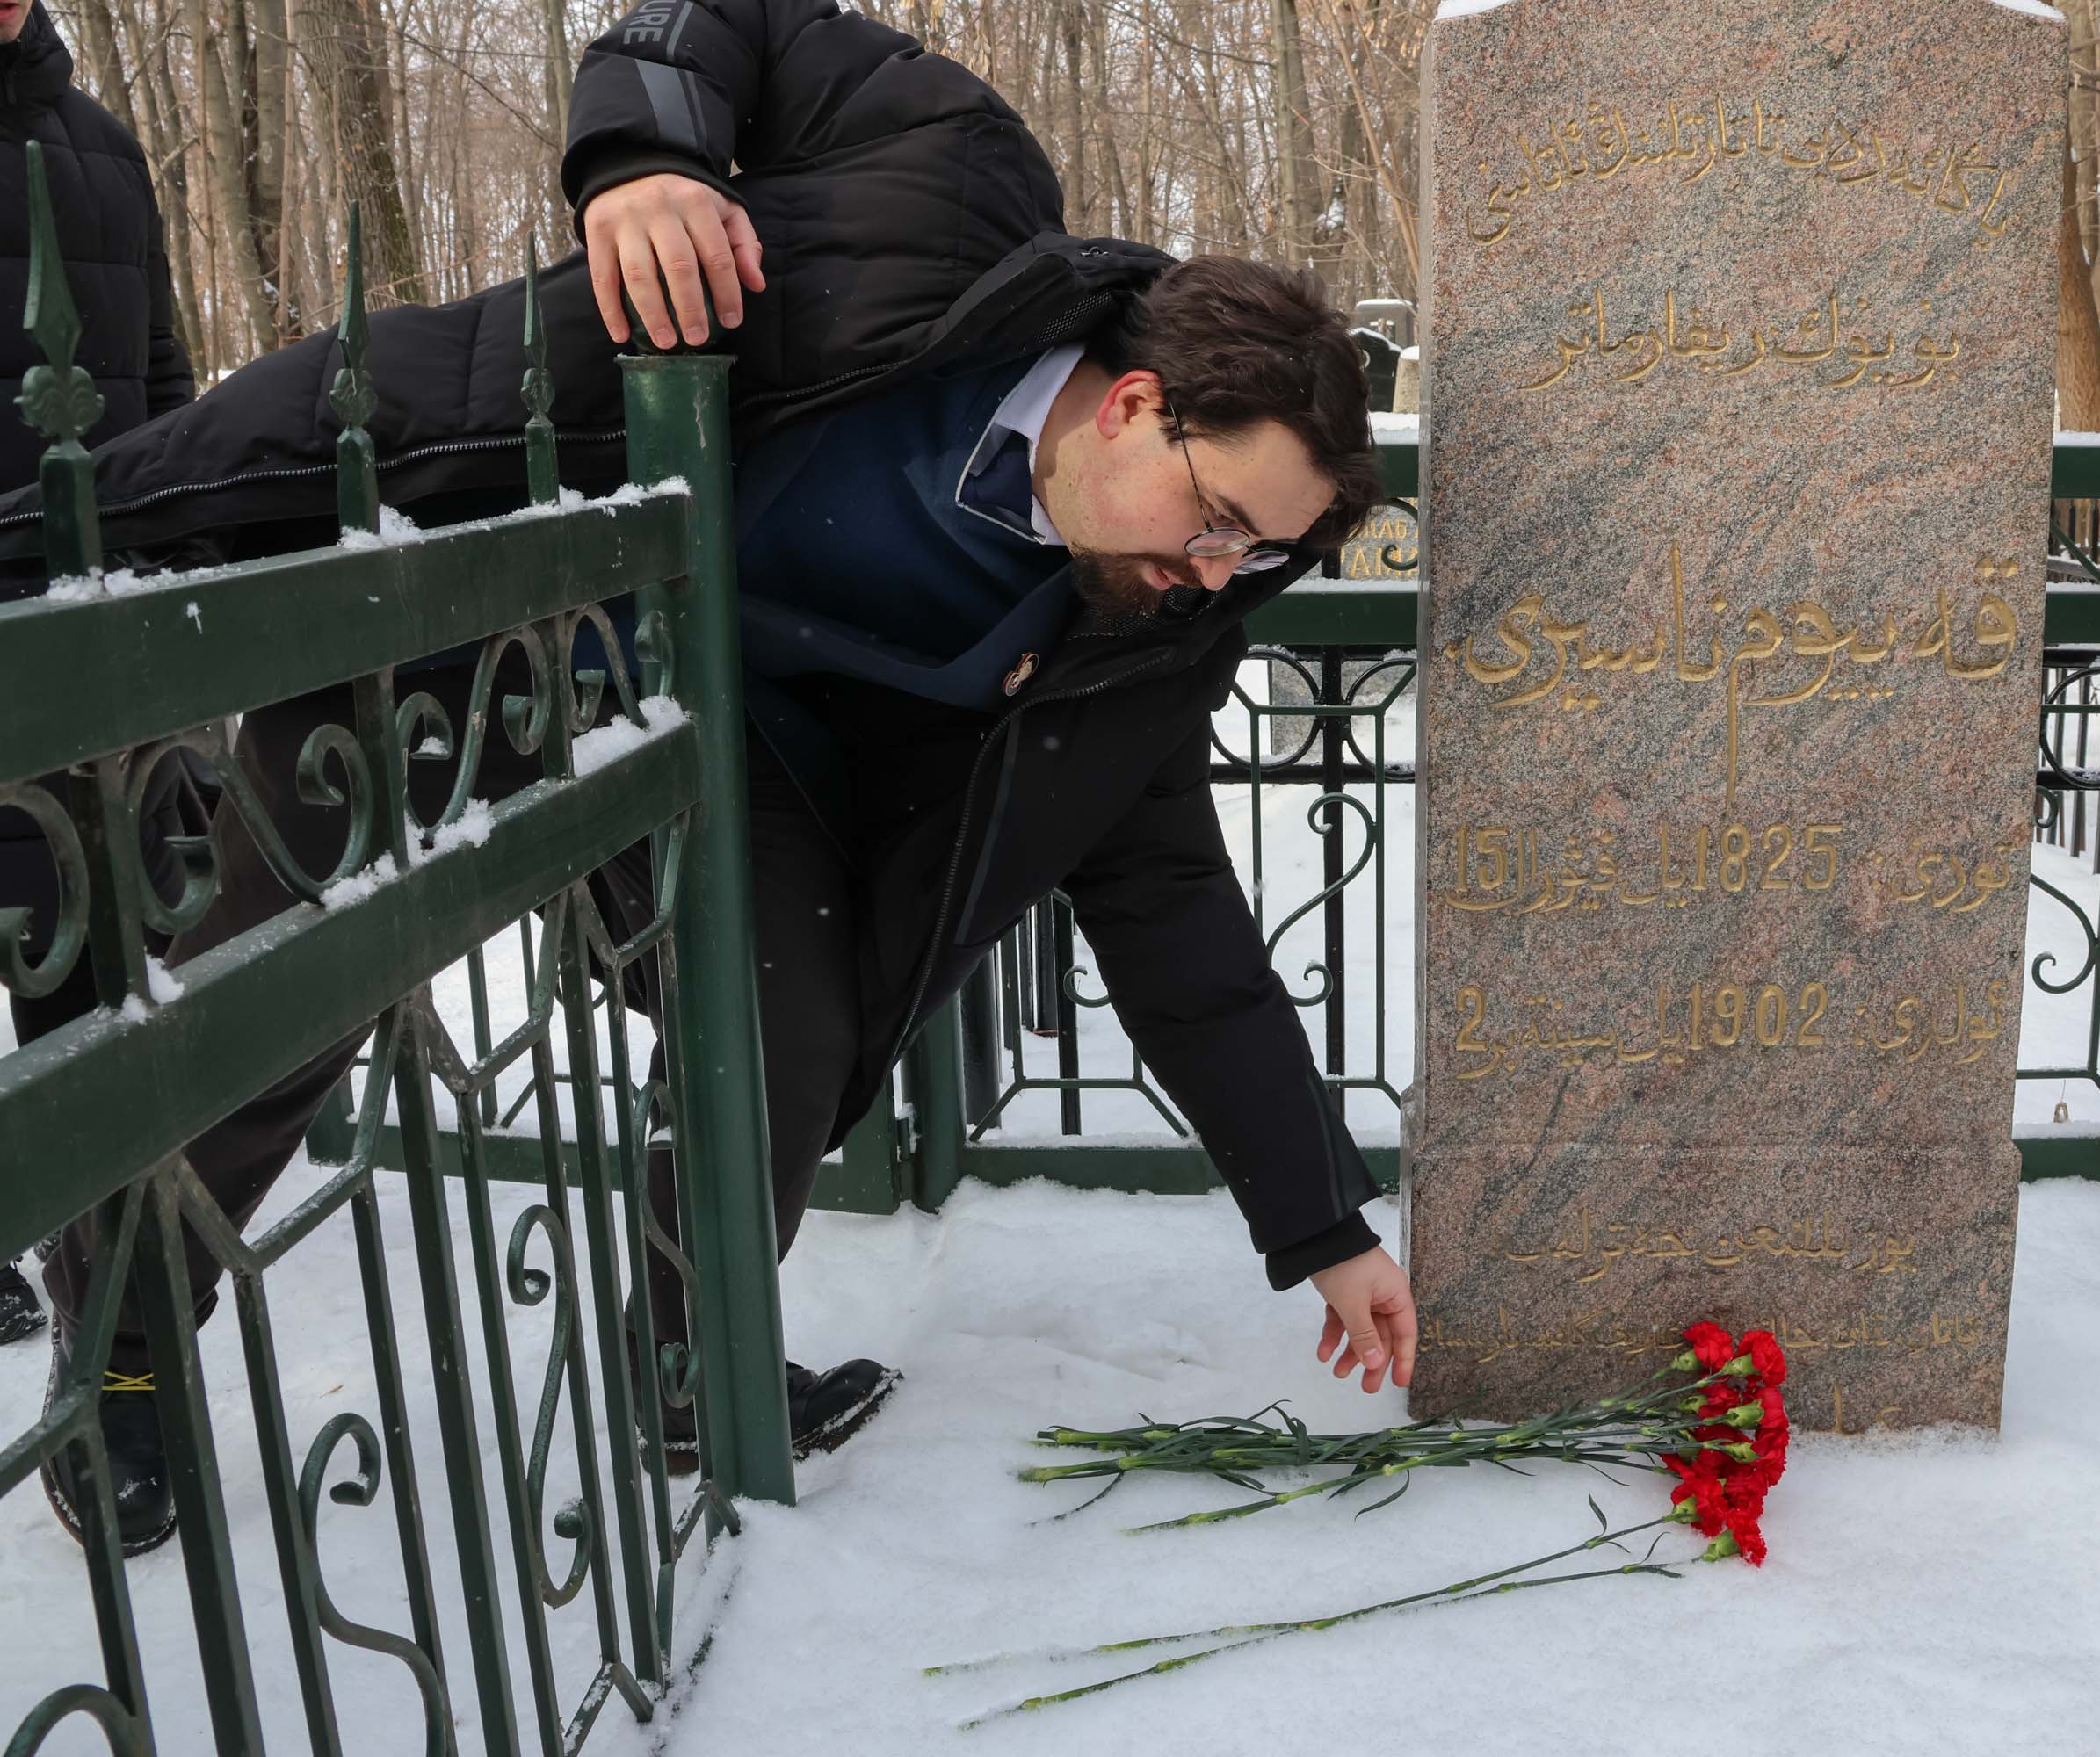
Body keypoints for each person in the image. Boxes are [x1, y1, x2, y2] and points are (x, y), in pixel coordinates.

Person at [1, 0, 1417, 1557]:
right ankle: (121, 1354)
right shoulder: (949, 182)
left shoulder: (1140, 629)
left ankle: (683, 1365)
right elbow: (727, 20)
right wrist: (643, 161)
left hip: (745, 734)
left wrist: (1321, 1226)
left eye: (1257, 556)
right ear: (1140, 402)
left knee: (788, 1040)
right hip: (490, 601)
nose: (1214, 575)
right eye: (1215, 518)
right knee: (289, 986)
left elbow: (1172, 913)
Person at [0, 0, 196, 1373]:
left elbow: (167, 383)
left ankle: (111, 1336)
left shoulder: (104, 144)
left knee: (83, 973)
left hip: (87, 632)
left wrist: (171, 561)